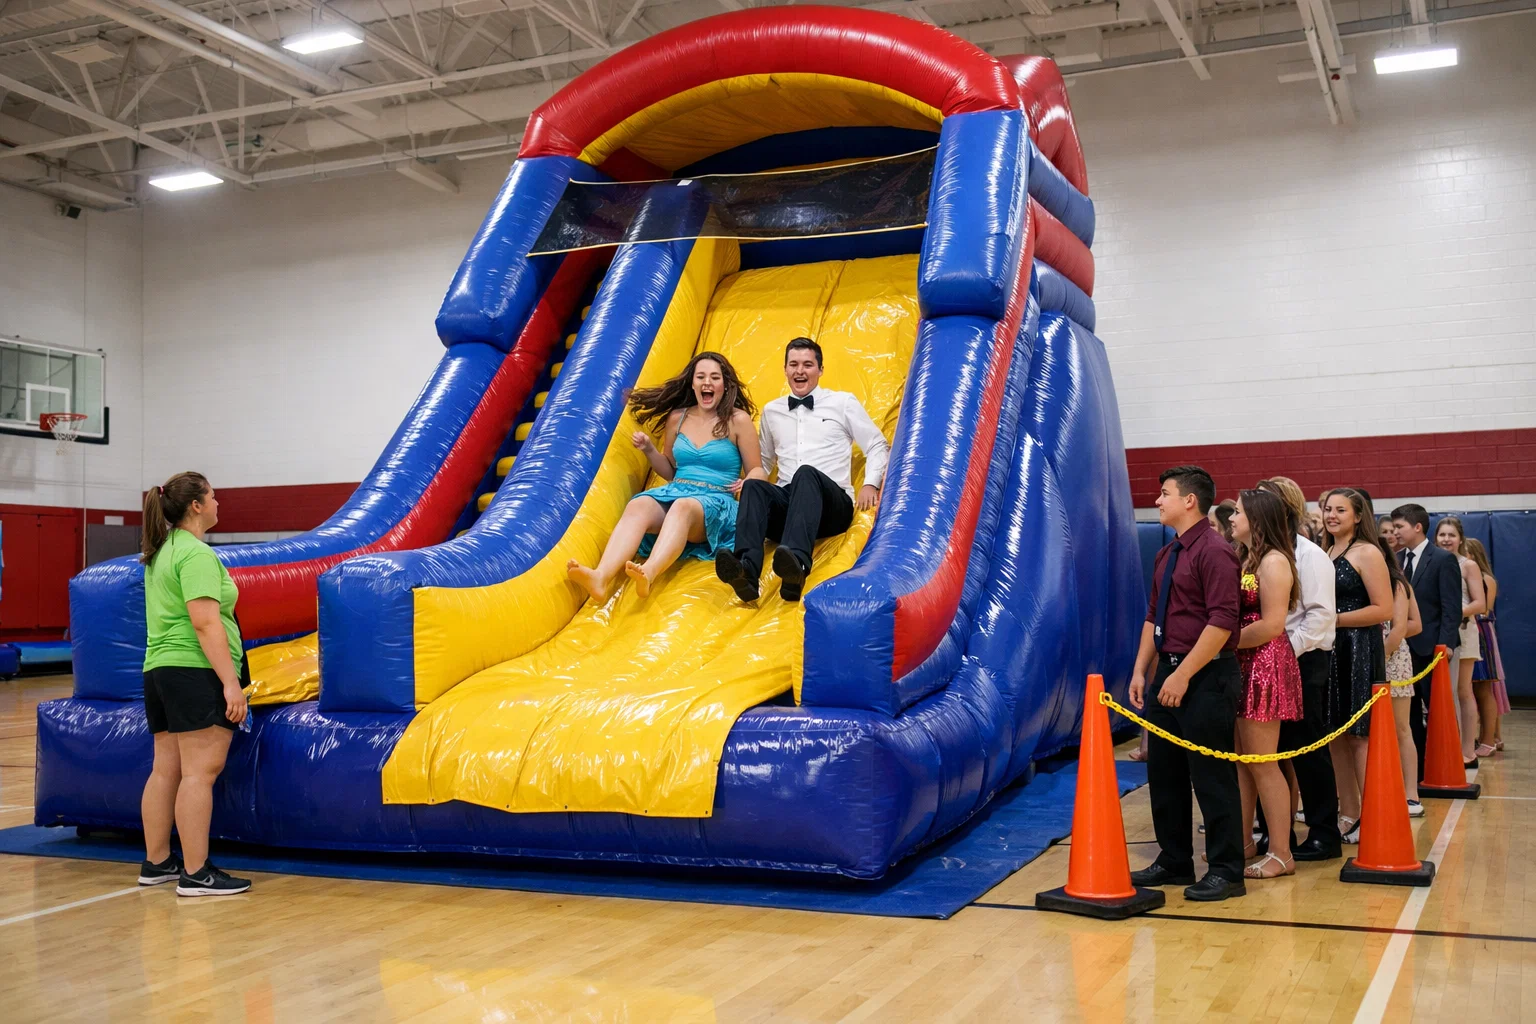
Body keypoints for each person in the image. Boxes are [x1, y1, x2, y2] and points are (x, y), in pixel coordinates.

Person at [1128, 466, 1246, 903]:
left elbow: (1221, 622)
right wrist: (1143, 669)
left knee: (1212, 776)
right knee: (1165, 773)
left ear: (1189, 500)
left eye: (1164, 494)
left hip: (1206, 675)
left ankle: (1227, 869)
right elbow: (1153, 615)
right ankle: (1174, 858)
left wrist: (1182, 674)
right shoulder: (1168, 553)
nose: (1157, 502)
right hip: (1169, 672)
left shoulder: (1214, 551)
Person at [138, 472, 252, 897]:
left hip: (159, 670)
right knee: (200, 772)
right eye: (214, 495)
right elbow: (205, 623)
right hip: (194, 670)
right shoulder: (197, 554)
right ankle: (196, 872)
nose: (219, 501)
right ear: (197, 506)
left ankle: (156, 862)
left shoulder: (160, 551)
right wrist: (230, 684)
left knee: (165, 768)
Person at [568, 352, 763, 601]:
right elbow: (670, 471)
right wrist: (650, 450)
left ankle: (649, 571)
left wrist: (750, 481)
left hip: (716, 501)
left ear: (724, 384)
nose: (707, 383)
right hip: (678, 490)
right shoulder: (677, 418)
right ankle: (601, 577)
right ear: (692, 383)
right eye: (701, 376)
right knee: (639, 504)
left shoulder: (738, 420)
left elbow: (757, 468)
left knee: (683, 507)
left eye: (714, 377)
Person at [716, 338, 888, 603]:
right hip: (790, 509)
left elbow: (877, 444)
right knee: (753, 485)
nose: (800, 371)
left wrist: (870, 483)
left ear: (820, 370)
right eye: (793, 364)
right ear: (784, 369)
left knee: (805, 473)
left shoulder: (842, 403)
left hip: (832, 507)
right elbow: (763, 462)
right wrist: (749, 479)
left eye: (808, 365)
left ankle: (796, 564)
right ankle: (746, 571)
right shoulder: (772, 411)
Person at [1254, 476, 1339, 860]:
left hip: (1303, 661)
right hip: (1265, 663)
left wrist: (1281, 651)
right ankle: (1276, 835)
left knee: (1307, 749)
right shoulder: (1258, 553)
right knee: (1268, 752)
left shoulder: (1308, 555)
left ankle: (1323, 833)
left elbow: (1320, 617)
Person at [1229, 489, 1303, 879]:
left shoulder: (1274, 562)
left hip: (1264, 662)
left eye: (1237, 512)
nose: (1230, 517)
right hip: (1243, 660)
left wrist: (1223, 643)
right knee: (1243, 763)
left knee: (1263, 762)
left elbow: (1273, 624)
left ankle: (1280, 852)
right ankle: (1242, 842)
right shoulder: (1246, 558)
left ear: (1256, 519)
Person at [1321, 488, 1391, 845]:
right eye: (1328, 509)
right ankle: (1348, 812)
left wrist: (1334, 620)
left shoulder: (1368, 553)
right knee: (1335, 736)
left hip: (1359, 648)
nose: (1332, 515)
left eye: (1340, 510)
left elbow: (1384, 609)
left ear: (1359, 516)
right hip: (1330, 650)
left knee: (1360, 736)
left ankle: (1373, 813)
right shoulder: (1324, 551)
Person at [1391, 503, 1462, 781]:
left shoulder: (1443, 560)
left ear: (1417, 527)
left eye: (1400, 527)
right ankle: (1416, 771)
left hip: (1431, 648)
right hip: (1403, 648)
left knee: (1437, 711)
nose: (1395, 532)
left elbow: (1451, 607)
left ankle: (1442, 766)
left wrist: (1446, 646)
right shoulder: (1396, 559)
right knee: (1408, 715)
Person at [1435, 517, 1487, 765]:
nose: (1446, 539)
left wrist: (1453, 612)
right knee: (1445, 692)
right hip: (1441, 633)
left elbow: (1480, 603)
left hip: (1464, 631)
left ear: (1460, 538)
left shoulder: (1468, 565)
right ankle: (1448, 746)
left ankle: (1468, 749)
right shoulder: (1434, 562)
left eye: (1451, 535)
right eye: (1442, 535)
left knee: (1463, 690)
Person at [1380, 534, 1424, 816]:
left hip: (1392, 659)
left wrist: (1380, 651)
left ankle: (1411, 794)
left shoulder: (1397, 584)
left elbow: (1413, 625)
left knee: (1401, 727)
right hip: (1372, 656)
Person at [1463, 538, 1508, 757]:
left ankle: (1489, 739)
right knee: (1469, 689)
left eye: (1466, 551)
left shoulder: (1485, 578)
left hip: (1481, 631)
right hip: (1469, 630)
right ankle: (1483, 736)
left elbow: (1484, 610)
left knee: (1484, 689)